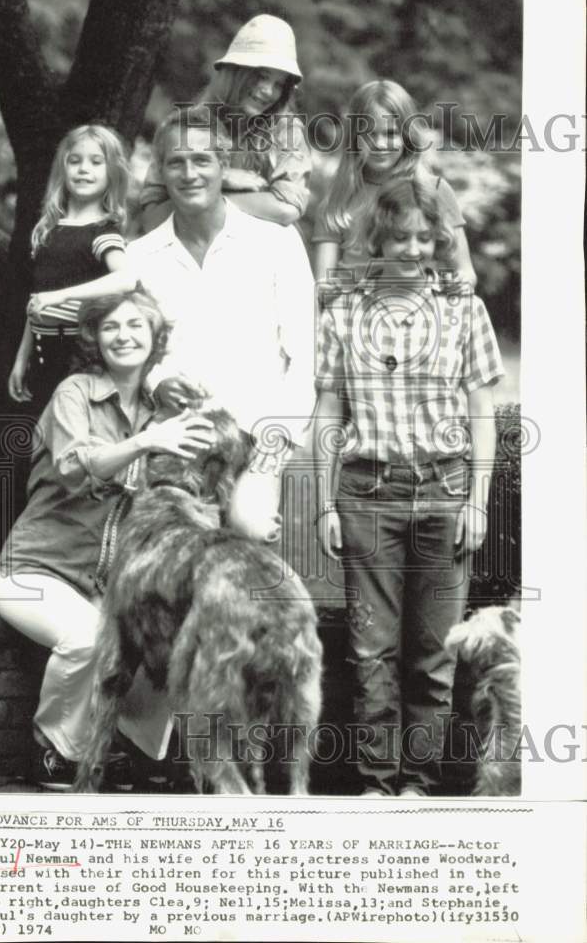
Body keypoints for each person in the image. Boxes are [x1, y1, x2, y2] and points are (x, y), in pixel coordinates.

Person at [29, 105, 317, 544]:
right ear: (160, 172)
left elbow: (304, 362)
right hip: (173, 436)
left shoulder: (276, 243)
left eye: (202, 160)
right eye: (175, 162)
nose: (190, 173)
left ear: (223, 166)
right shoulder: (139, 257)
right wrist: (158, 383)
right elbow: (128, 352)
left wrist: (270, 455)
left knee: (248, 526)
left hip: (260, 436)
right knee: (165, 543)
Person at [313, 175, 504, 797]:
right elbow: (328, 412)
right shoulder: (344, 311)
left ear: (441, 241)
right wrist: (323, 503)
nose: (414, 249)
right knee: (370, 653)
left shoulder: (462, 310)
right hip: (368, 494)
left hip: (445, 491)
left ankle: (418, 782)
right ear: (378, 238)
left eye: (426, 238)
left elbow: (480, 410)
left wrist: (476, 499)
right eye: (400, 237)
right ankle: (374, 781)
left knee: (432, 654)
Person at [0, 290, 214, 790]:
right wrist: (143, 442)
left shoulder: (162, 408)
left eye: (136, 325)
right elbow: (73, 468)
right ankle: (53, 751)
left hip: (103, 584)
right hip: (33, 571)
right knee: (90, 636)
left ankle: (136, 750)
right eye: (111, 327)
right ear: (94, 338)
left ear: (155, 338)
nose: (124, 335)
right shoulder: (76, 392)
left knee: (170, 637)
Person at [139, 14, 312, 231]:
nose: (268, 92)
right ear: (235, 71)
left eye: (279, 84)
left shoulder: (288, 130)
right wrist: (222, 179)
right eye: (261, 76)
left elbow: (287, 209)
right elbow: (152, 218)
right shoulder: (184, 127)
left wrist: (209, 195)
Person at [313, 79, 478, 293]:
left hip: (420, 310)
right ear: (354, 138)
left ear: (407, 136)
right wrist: (330, 290)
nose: (380, 144)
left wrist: (459, 283)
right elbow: (322, 282)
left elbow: (466, 272)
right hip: (356, 314)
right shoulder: (337, 201)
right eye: (370, 134)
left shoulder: (434, 191)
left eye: (391, 133)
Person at [8, 124, 130, 414]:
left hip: (80, 355)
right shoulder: (50, 230)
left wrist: (60, 297)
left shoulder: (103, 232)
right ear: (62, 169)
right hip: (42, 354)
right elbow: (38, 301)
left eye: (96, 162)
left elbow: (126, 279)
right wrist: (21, 358)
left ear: (112, 172)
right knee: (41, 440)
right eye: (74, 161)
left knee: (72, 435)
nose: (83, 169)